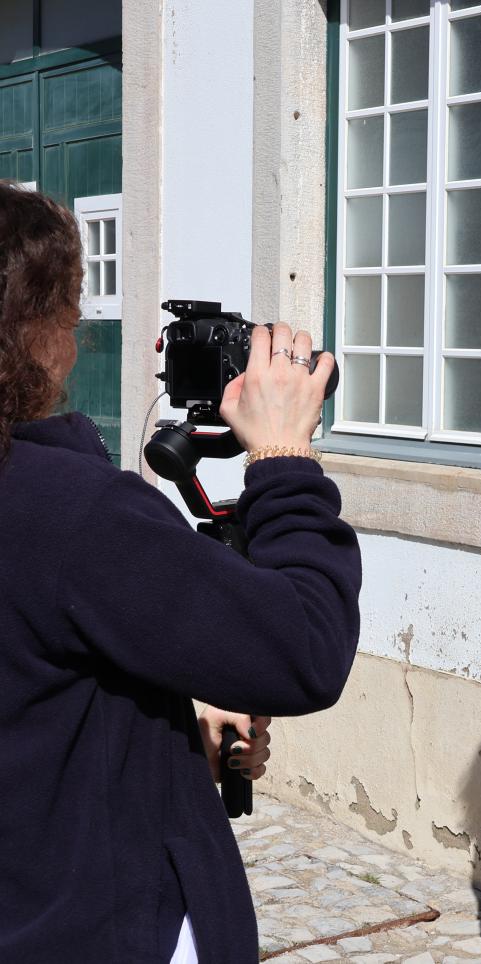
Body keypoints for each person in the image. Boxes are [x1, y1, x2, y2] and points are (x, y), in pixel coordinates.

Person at [0, 182, 362, 963]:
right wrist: (285, 458)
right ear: (40, 334)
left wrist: (162, 750)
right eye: (72, 310)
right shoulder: (74, 513)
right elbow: (303, 648)